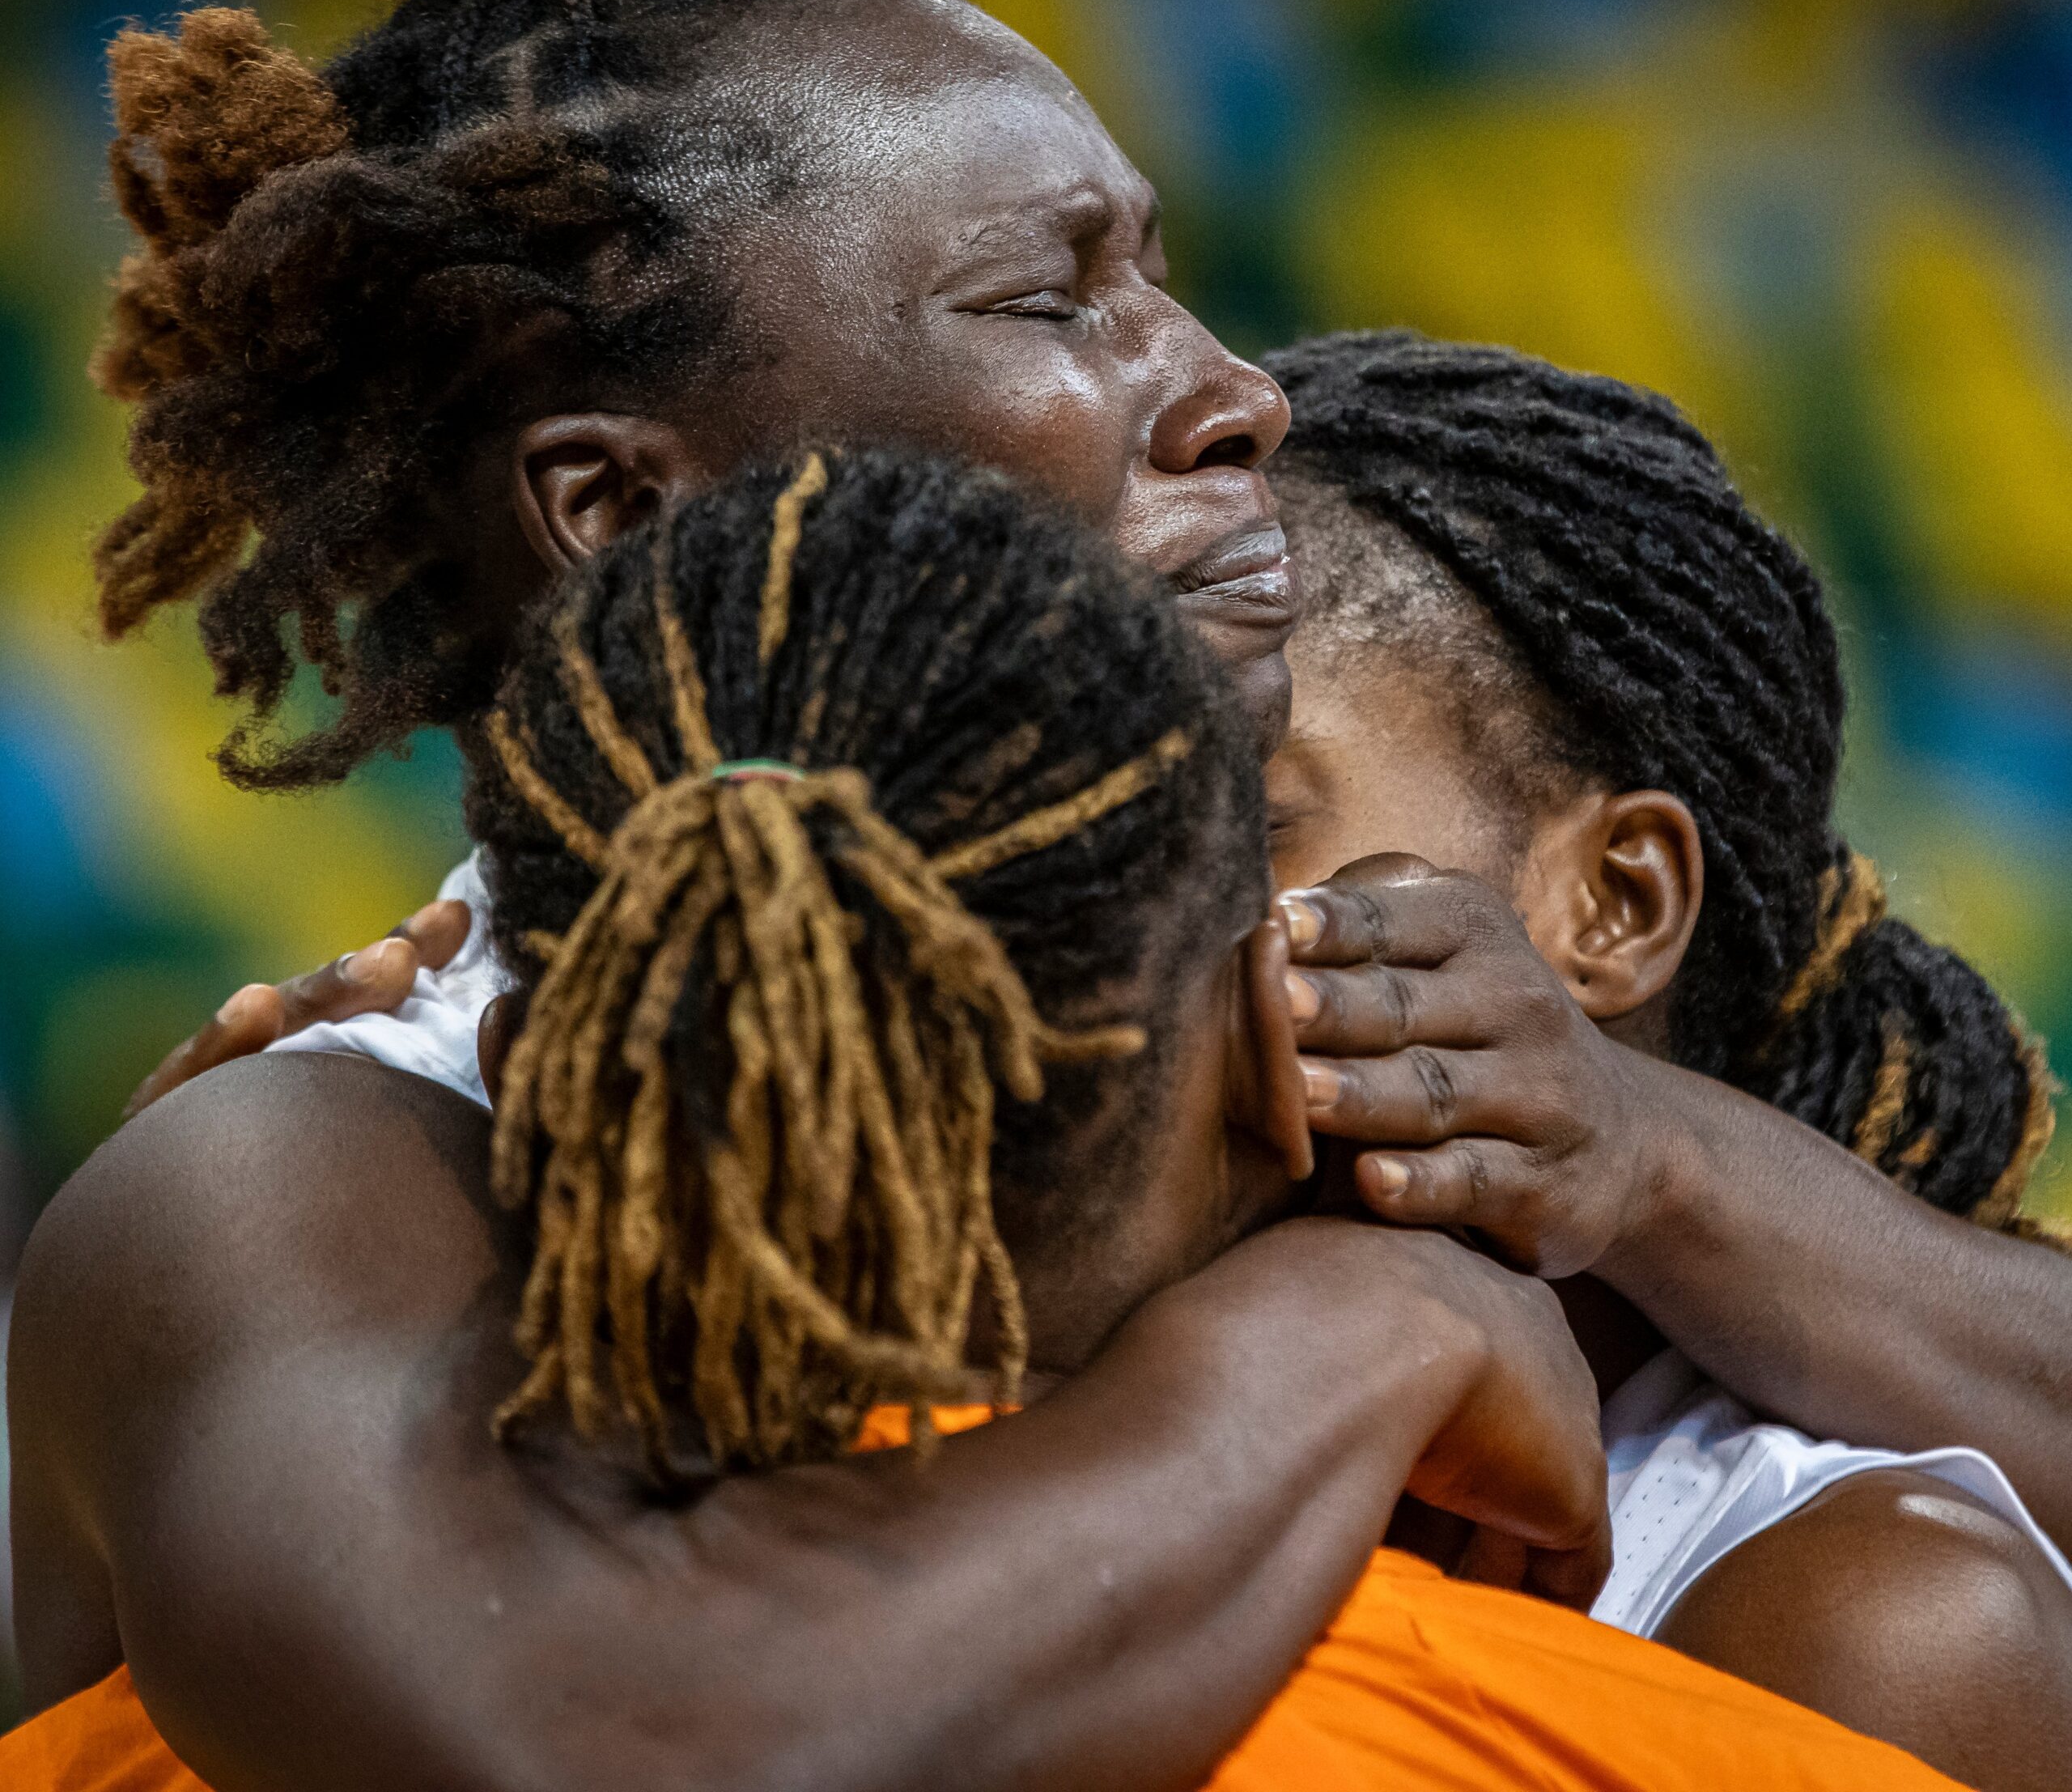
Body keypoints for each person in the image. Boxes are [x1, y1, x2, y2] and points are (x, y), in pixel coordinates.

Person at [12, 0, 1620, 1781]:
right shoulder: (296, 1175)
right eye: (1051, 300)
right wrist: (1354, 1338)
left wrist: (1659, 1167)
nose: (1234, 393)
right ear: (618, 514)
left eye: (1167, 270)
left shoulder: (1386, 1044)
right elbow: (583, 1753)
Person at [6, 451, 1967, 1790]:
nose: (1206, 391)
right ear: (1266, 1067)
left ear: (537, 1057)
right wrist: (1359, 1332)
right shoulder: (1649, 1740)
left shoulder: (216, 1679)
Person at [1260, 328, 2072, 1789]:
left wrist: (1644, 1144)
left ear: (1611, 903)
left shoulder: (1856, 1620)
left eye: (1255, 822)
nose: (1130, 897)